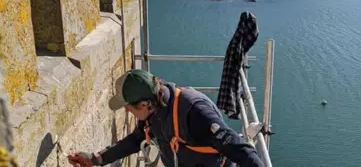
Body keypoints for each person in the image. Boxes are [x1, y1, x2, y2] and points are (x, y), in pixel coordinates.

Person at [67, 69, 264, 167]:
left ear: (143, 104)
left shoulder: (194, 112)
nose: (127, 112)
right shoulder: (155, 111)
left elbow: (241, 149)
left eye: (128, 108)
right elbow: (136, 140)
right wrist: (96, 159)